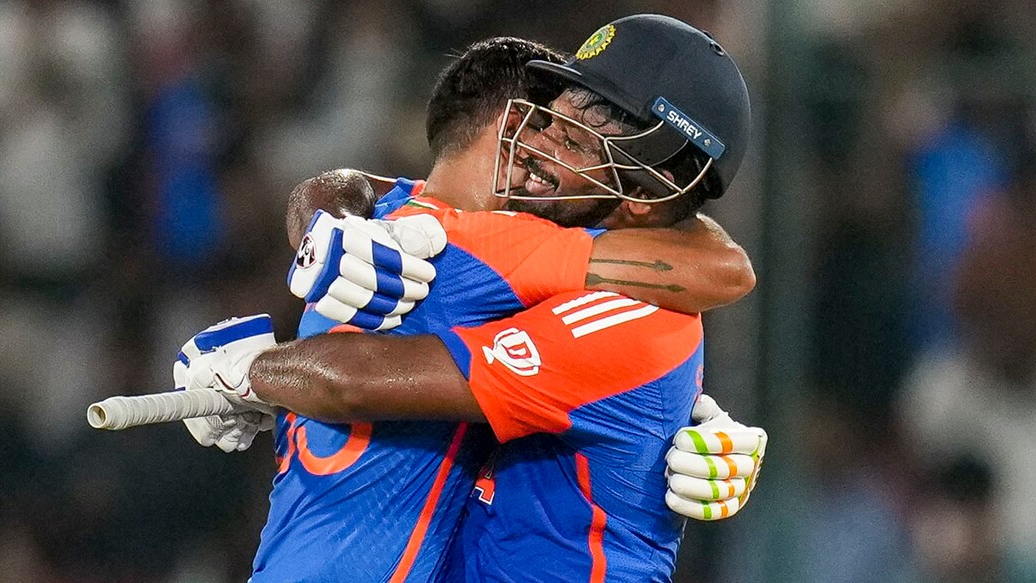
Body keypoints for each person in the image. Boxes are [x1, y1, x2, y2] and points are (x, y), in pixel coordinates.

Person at [181, 23, 763, 582]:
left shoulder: (616, 306)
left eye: (586, 130)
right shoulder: (453, 237)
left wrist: (251, 371)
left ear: (645, 186)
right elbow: (387, 195)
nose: (547, 136)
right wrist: (322, 207)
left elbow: (726, 268)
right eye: (556, 113)